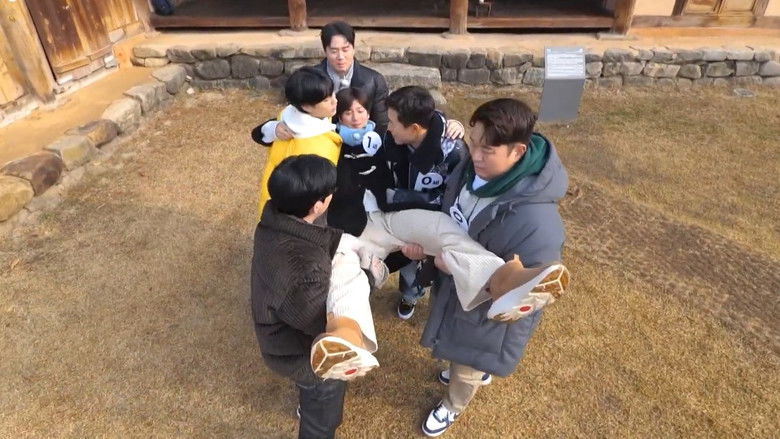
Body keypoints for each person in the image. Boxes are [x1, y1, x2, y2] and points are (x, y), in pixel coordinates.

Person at [419, 99, 570, 437]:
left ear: (517, 151)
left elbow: (527, 295)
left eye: (487, 150)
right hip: (455, 293)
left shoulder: (538, 223)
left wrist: (458, 267)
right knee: (458, 345)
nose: (474, 155)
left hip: (483, 313)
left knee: (469, 362)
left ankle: (453, 405)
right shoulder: (472, 170)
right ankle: (463, 366)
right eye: (472, 143)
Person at [250, 155, 353, 439]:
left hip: (278, 333)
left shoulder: (273, 221)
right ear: (317, 206)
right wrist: (368, 278)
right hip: (302, 354)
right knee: (322, 408)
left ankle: (308, 399)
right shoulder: (306, 270)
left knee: (314, 392)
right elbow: (323, 326)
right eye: (329, 193)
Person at [382, 86, 466, 320]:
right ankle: (408, 292)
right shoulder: (394, 139)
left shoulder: (453, 152)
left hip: (430, 224)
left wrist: (399, 197)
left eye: (392, 122)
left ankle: (412, 295)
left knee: (422, 262)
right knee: (406, 259)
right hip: (397, 217)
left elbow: (453, 198)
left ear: (414, 128)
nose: (388, 128)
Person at [251, 67, 340, 217]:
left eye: (333, 93)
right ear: (306, 106)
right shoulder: (311, 145)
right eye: (326, 100)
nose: (335, 101)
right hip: (302, 210)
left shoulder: (291, 116)